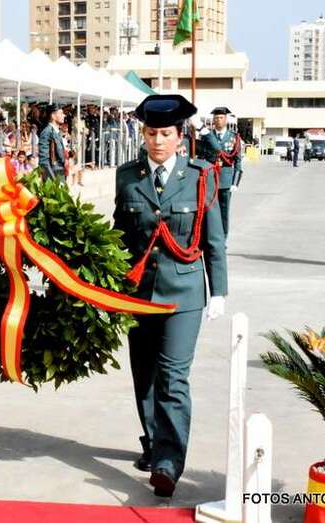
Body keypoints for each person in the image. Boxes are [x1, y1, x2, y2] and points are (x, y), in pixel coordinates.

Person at [113, 94, 227, 498]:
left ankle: (168, 462)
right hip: (139, 294)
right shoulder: (128, 176)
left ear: (181, 137)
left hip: (184, 293)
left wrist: (219, 291)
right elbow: (120, 237)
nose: (157, 141)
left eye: (165, 134)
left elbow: (214, 239)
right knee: (143, 377)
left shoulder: (201, 176)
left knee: (173, 378)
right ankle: (153, 442)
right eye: (150, 133)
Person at [195, 107, 242, 237]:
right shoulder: (207, 135)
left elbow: (237, 161)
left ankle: (223, 237)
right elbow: (201, 155)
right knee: (208, 209)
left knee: (223, 210)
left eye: (221, 117)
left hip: (225, 180)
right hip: (210, 177)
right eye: (216, 118)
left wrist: (235, 182)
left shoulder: (234, 137)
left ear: (226, 119)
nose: (218, 120)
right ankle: (210, 235)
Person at [38, 103, 66, 180]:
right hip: (53, 173)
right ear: (53, 116)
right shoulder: (47, 132)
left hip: (60, 171)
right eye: (61, 113)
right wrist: (51, 180)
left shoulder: (57, 131)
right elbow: (44, 161)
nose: (64, 115)